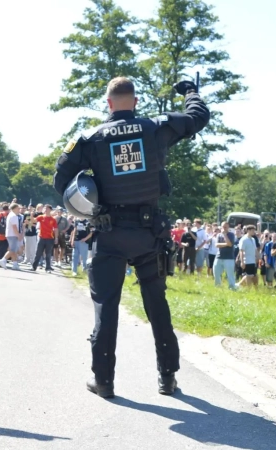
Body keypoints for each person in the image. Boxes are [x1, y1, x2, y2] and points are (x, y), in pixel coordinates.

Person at [53, 76, 210, 398]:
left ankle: (104, 381)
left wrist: (91, 204)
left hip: (109, 235)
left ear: (108, 103)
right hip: (149, 234)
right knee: (157, 306)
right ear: (135, 102)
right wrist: (190, 91)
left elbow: (62, 180)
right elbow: (198, 118)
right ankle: (167, 378)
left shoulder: (90, 138)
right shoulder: (156, 128)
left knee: (105, 307)